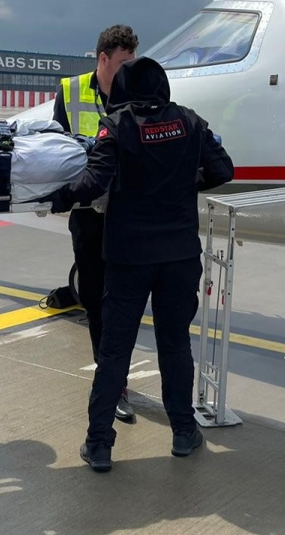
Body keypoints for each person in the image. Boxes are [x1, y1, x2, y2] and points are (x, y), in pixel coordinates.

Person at [49, 57, 234, 472]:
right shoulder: (190, 122)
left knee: (115, 351)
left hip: (129, 256)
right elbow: (224, 169)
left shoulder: (116, 126)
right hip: (179, 256)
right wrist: (188, 182)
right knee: (175, 344)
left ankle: (99, 444)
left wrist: (55, 198)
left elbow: (93, 182)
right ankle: (184, 432)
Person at [50, 24, 140, 423]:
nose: (127, 71)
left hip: (126, 213)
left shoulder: (138, 90)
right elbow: (55, 146)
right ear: (102, 59)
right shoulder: (70, 91)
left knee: (119, 300)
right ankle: (110, 377)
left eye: (131, 63)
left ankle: (114, 379)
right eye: (122, 63)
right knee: (94, 298)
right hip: (87, 215)